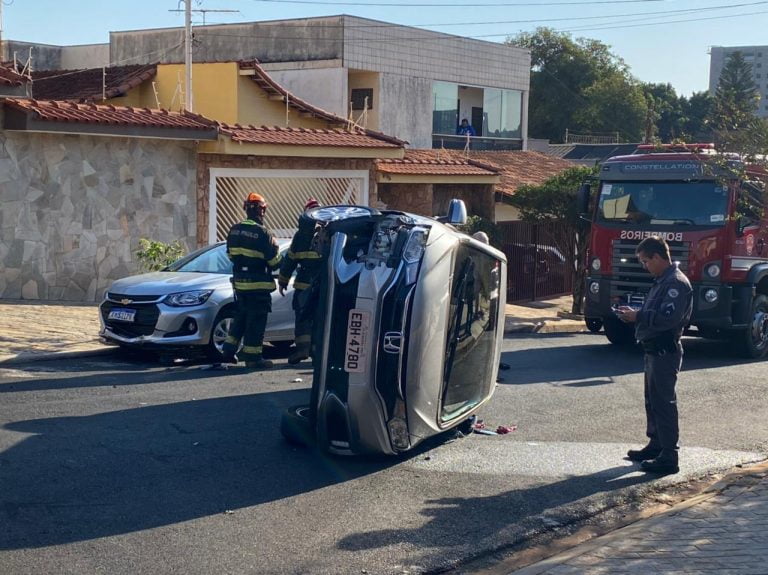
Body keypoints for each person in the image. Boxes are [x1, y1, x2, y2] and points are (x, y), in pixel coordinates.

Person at [617, 236, 692, 474]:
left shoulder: (675, 283)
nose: (644, 266)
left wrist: (637, 316)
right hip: (653, 350)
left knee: (664, 403)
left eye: (646, 261)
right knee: (653, 401)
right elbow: (655, 312)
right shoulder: (662, 280)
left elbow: (667, 318)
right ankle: (657, 444)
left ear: (658, 257)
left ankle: (669, 456)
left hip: (664, 349)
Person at [221, 192, 281, 369]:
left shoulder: (234, 229)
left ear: (244, 208)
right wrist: (276, 249)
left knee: (240, 318)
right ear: (262, 210)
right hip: (259, 286)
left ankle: (228, 351)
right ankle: (253, 358)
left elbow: (230, 255)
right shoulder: (263, 233)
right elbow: (274, 262)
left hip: (240, 285)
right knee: (256, 321)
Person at [278, 198, 323, 364]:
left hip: (303, 284)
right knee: (320, 319)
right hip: (322, 285)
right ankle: (317, 353)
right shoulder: (330, 233)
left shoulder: (301, 235)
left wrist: (283, 280)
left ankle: (302, 349)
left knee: (303, 318)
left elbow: (290, 260)